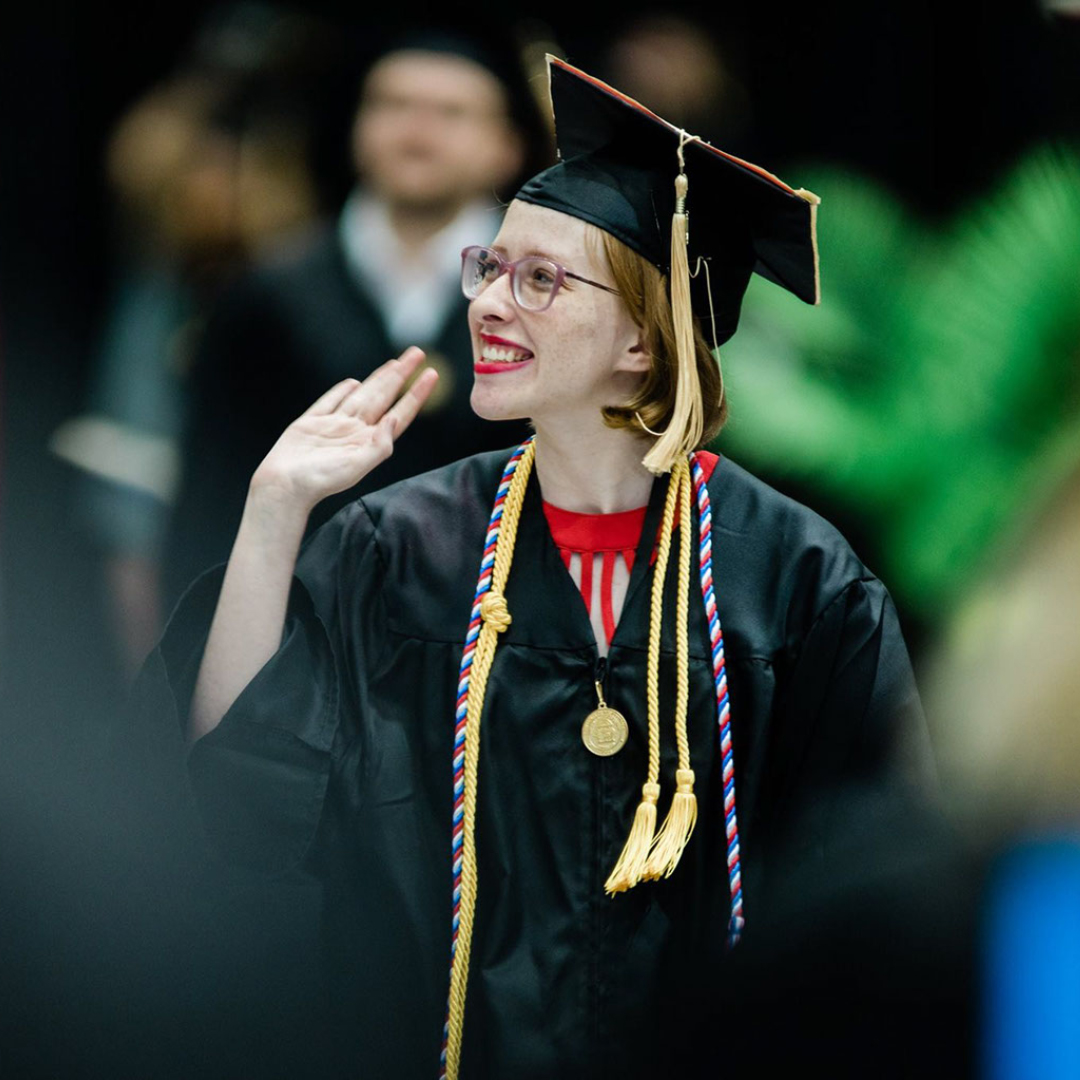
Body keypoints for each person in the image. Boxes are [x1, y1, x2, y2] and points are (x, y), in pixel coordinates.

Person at [134, 58, 932, 1079]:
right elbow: (245, 798)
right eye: (491, 266)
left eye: (541, 279)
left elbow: (884, 890)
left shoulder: (797, 580)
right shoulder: (399, 547)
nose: (488, 304)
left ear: (645, 337)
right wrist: (273, 511)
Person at [162, 32, 543, 607]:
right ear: (356, 129)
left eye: (451, 112)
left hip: (493, 632)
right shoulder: (265, 293)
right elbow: (208, 497)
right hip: (302, 632)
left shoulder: (540, 297)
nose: (417, 131)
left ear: (508, 145)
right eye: (392, 105)